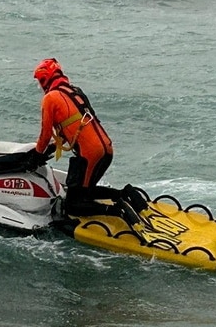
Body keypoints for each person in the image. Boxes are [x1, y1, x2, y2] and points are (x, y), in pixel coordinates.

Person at [27, 58, 153, 241]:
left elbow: (45, 134)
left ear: (45, 79)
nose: (40, 86)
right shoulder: (75, 92)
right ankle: (126, 193)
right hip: (106, 149)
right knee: (84, 192)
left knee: (74, 205)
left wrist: (37, 156)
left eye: (40, 82)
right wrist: (53, 147)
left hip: (90, 155)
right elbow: (75, 126)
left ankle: (117, 210)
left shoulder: (50, 98)